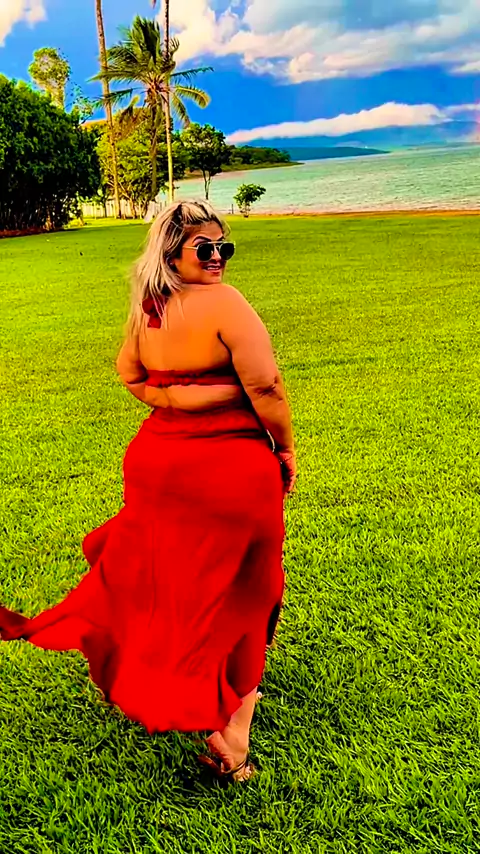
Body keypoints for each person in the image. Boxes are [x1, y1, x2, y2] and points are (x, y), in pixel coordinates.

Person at [0, 200, 296, 783]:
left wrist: (175, 398)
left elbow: (131, 374)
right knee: (248, 587)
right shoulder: (225, 304)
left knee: (172, 581)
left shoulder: (149, 309)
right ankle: (233, 733)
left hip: (157, 460)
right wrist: (283, 446)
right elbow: (265, 385)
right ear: (172, 253)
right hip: (227, 466)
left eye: (225, 247)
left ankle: (186, 682)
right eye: (204, 248)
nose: (217, 258)